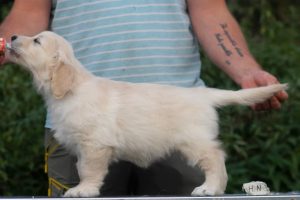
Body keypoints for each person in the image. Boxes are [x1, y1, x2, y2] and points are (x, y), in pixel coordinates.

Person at [0, 0, 288, 197]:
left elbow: (210, 11)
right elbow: (27, 12)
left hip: (170, 110)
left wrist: (247, 70)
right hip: (76, 120)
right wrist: (4, 45)